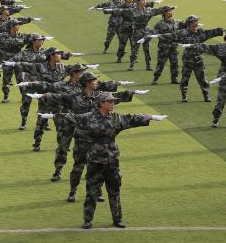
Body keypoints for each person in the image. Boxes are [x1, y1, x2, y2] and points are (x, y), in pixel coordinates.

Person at [39, 92, 165, 229]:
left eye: (113, 101)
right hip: (95, 160)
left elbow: (132, 119)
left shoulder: (115, 118)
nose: (113, 104)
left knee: (114, 191)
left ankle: (117, 219)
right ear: (101, 103)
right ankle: (87, 220)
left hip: (112, 160)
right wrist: (53, 116)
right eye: (110, 101)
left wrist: (151, 117)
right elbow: (73, 117)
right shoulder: (89, 117)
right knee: (91, 192)